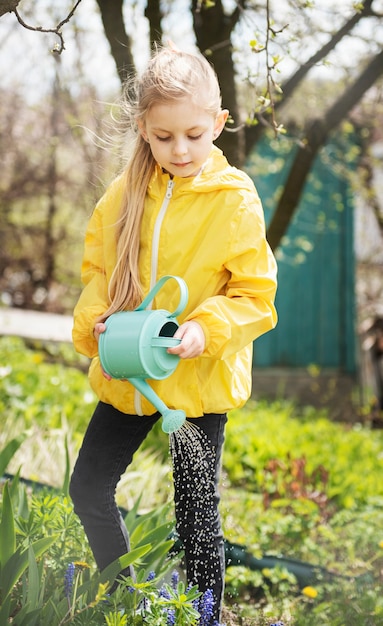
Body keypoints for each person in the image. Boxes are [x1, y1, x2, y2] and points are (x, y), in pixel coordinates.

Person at [69, 44, 278, 624]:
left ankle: (203, 617)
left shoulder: (234, 200)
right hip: (127, 374)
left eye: (193, 133)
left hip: (196, 384)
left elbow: (255, 297)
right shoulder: (121, 196)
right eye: (163, 138)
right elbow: (97, 273)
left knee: (195, 514)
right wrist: (98, 324)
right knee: (87, 489)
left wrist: (203, 330)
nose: (179, 150)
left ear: (218, 123)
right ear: (143, 129)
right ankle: (124, 603)